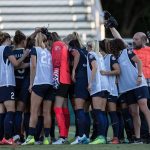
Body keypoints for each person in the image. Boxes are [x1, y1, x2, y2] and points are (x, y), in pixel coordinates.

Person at [22, 32, 54, 145]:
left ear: (36, 40)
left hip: (39, 82)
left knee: (34, 111)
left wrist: (31, 83)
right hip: (50, 84)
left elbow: (34, 66)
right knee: (46, 112)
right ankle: (46, 138)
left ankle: (30, 137)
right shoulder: (49, 52)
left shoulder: (35, 50)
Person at [0, 31, 29, 145]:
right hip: (8, 83)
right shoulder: (6, 49)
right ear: (6, 39)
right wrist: (25, 55)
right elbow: (16, 64)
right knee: (11, 111)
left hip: (1, 84)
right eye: (9, 39)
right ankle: (8, 137)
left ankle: (2, 138)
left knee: (1, 112)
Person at [51, 32, 74, 144]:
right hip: (66, 78)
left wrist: (55, 80)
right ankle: (65, 135)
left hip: (60, 78)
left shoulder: (57, 44)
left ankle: (62, 136)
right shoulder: (64, 45)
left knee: (57, 107)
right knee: (64, 107)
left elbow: (56, 62)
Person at [85, 40, 109, 144]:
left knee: (98, 112)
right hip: (105, 86)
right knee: (102, 113)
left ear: (89, 46)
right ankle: (103, 136)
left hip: (97, 86)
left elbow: (94, 67)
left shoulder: (91, 54)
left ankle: (101, 136)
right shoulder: (99, 55)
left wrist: (90, 83)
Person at [99, 39, 120, 144]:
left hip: (111, 89)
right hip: (103, 89)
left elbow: (118, 70)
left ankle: (116, 137)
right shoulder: (100, 58)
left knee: (112, 113)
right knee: (103, 113)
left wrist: (106, 72)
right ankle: (104, 136)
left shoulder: (110, 57)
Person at [13, 30, 30, 143]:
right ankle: (25, 136)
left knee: (13, 112)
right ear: (23, 41)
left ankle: (15, 136)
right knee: (23, 111)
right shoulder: (27, 52)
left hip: (13, 84)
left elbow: (13, 66)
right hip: (25, 84)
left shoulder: (11, 52)